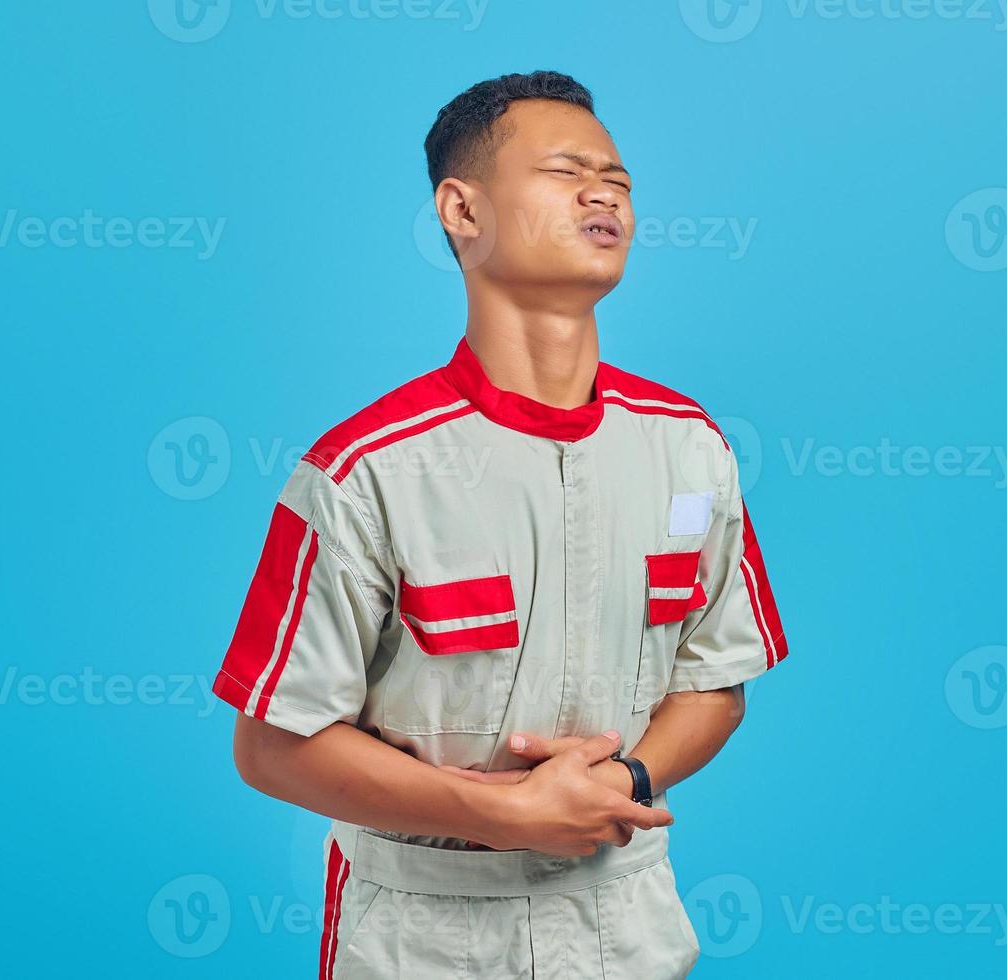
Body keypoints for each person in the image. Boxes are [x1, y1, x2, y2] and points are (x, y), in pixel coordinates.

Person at [212, 70, 789, 980]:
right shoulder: (368, 471)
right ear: (462, 210)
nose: (604, 193)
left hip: (626, 925)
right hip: (424, 934)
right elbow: (272, 744)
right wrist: (501, 814)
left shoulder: (690, 449)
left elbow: (717, 681)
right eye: (566, 171)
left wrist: (624, 782)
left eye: (620, 180)